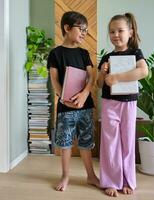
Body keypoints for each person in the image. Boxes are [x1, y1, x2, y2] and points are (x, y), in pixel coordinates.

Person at [47, 11, 100, 192]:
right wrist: (64, 99)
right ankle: (65, 176)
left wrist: (85, 94)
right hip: (65, 107)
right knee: (65, 143)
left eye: (86, 30)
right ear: (67, 28)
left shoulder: (84, 53)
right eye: (81, 29)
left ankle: (91, 176)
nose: (84, 33)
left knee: (86, 142)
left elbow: (91, 77)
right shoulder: (55, 53)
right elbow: (54, 80)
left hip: (85, 106)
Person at [97, 13, 148, 197]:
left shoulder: (135, 53)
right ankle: (110, 181)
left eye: (120, 30)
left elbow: (143, 71)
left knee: (127, 141)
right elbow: (99, 84)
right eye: (112, 31)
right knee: (110, 143)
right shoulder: (107, 56)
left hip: (128, 103)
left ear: (131, 32)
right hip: (109, 103)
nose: (115, 35)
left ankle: (127, 180)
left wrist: (117, 77)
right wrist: (103, 73)